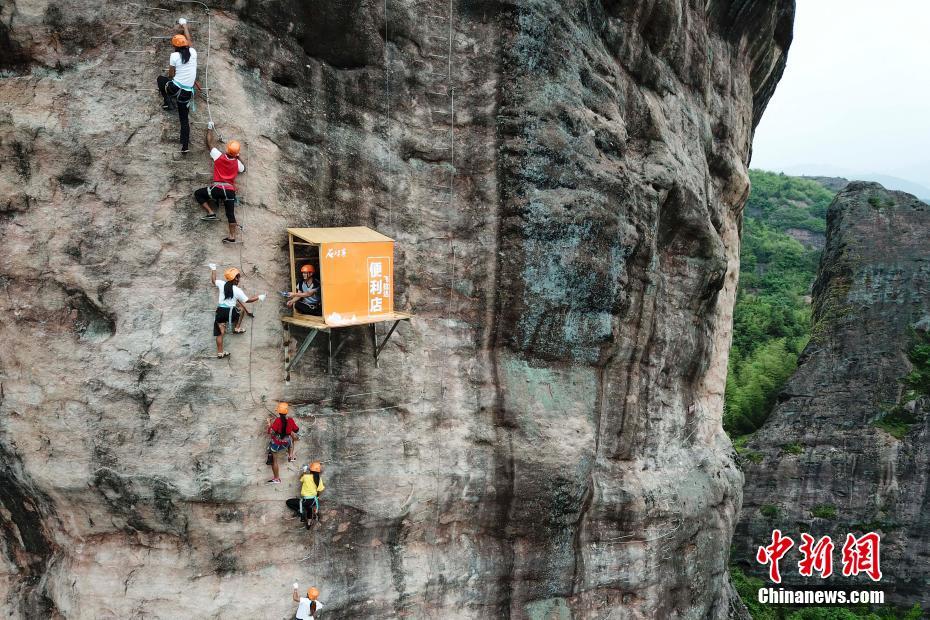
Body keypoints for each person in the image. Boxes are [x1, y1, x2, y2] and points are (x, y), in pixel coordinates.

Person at [195, 125, 246, 244]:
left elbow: (209, 143)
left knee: (198, 194)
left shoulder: (219, 156)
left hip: (217, 189)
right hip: (229, 191)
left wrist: (209, 128)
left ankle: (211, 212)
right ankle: (232, 236)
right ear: (237, 153)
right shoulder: (237, 163)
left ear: (227, 149)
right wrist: (238, 157)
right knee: (230, 214)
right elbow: (243, 169)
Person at [156, 19, 197, 154]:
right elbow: (189, 40)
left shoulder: (174, 56)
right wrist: (184, 25)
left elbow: (171, 73)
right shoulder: (193, 52)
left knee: (161, 80)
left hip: (176, 89)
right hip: (187, 93)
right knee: (184, 119)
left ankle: (167, 102)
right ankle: (185, 146)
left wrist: (174, 76)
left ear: (175, 46)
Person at [209, 264, 262, 358]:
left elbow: (213, 281)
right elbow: (247, 300)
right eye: (238, 277)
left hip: (220, 312)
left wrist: (213, 269)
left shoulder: (222, 284)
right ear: (234, 279)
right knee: (241, 309)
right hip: (231, 313)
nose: (239, 279)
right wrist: (259, 297)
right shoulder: (237, 290)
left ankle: (220, 352)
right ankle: (237, 328)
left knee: (220, 333)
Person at [267, 402, 299, 484]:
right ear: (286, 411)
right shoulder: (291, 420)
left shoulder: (277, 420)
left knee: (275, 461)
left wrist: (269, 423)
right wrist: (289, 427)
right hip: (286, 443)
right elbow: (296, 430)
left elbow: (271, 432)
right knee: (291, 438)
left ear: (278, 411)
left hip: (276, 444)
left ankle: (277, 478)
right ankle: (291, 455)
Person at [286, 461, 325, 528]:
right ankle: (309, 524)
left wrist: (304, 471)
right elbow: (320, 489)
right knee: (309, 507)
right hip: (313, 501)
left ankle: (300, 512)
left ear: (310, 470)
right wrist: (317, 496)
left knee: (288, 502)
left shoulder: (306, 477)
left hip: (305, 501)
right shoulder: (319, 479)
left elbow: (300, 479)